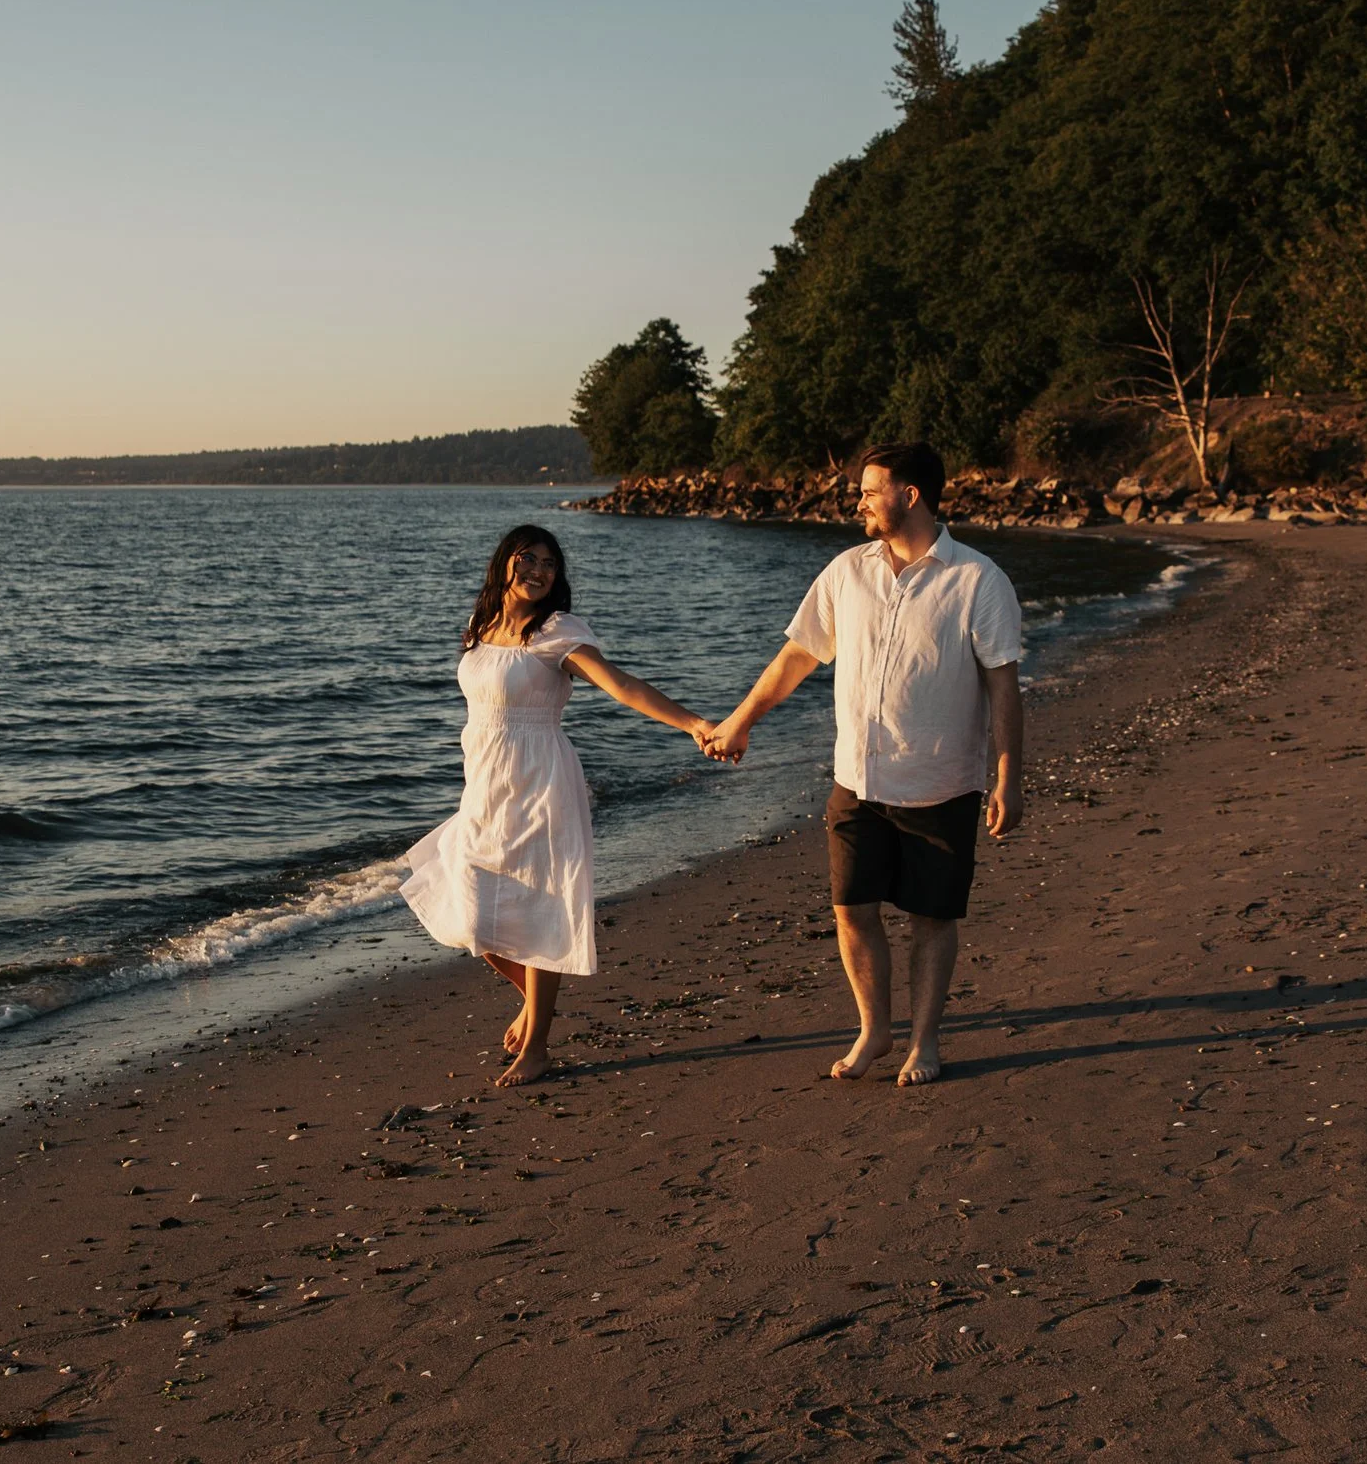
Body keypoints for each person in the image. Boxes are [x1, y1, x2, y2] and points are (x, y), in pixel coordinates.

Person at [708, 443, 1024, 1086]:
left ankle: (924, 1041)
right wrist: (740, 721)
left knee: (933, 919)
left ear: (910, 495)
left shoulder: (978, 580)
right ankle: (875, 1028)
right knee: (852, 910)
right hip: (858, 779)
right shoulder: (847, 571)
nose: (858, 500)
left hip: (940, 783)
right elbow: (797, 657)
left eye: (868, 489)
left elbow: (1003, 687)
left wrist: (1008, 777)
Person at [401, 524, 721, 1087]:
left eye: (550, 564)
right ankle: (533, 1003)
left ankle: (539, 1046)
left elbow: (620, 684)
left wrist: (693, 722)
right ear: (506, 561)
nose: (539, 570)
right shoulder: (481, 627)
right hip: (484, 783)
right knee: (470, 911)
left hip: (538, 781)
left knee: (540, 907)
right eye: (529, 557)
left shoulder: (556, 633)